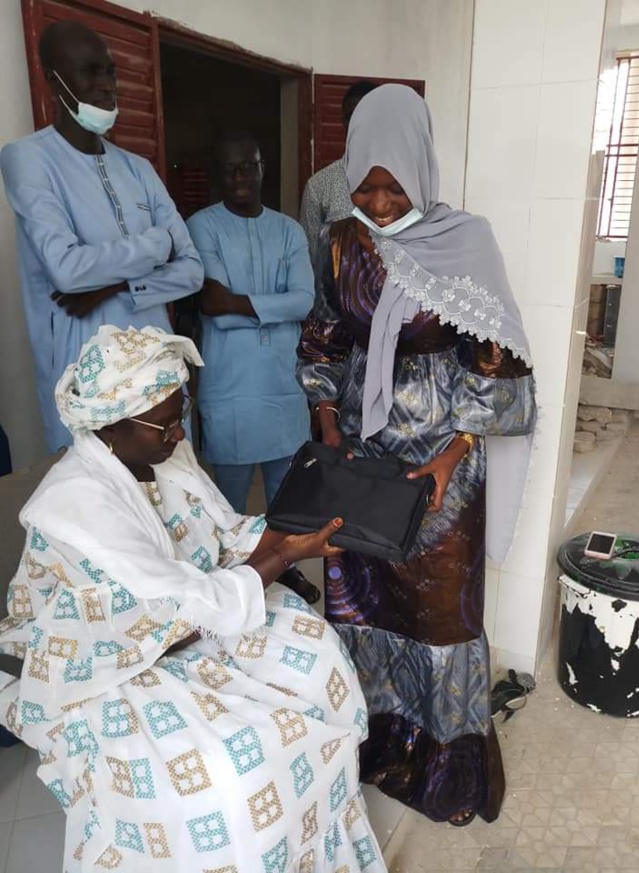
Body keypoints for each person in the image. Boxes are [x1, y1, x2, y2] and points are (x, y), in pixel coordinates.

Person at [0, 325, 387, 873]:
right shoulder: (74, 504)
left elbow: (220, 533)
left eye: (180, 416)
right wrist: (282, 558)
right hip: (110, 658)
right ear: (113, 424)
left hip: (199, 616)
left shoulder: (159, 455)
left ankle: (314, 848)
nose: (179, 435)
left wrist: (291, 530)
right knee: (228, 775)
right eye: (166, 424)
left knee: (320, 658)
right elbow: (169, 609)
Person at [297, 85, 537, 827]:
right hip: (366, 457)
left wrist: (453, 453)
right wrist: (327, 416)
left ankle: (448, 775)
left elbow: (497, 362)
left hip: (442, 467)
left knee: (441, 614)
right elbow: (326, 333)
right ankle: (374, 748)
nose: (378, 198)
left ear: (422, 172)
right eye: (365, 181)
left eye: (393, 184)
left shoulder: (466, 240)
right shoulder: (343, 240)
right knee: (360, 599)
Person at [0, 21, 203, 452]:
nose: (106, 85)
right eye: (90, 72)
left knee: (172, 499)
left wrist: (118, 285)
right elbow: (69, 271)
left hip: (157, 365)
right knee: (98, 499)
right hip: (84, 370)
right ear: (54, 81)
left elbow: (192, 272)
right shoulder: (28, 159)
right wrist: (157, 245)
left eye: (110, 71)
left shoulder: (139, 168)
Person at [187, 131, 320, 604]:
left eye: (250, 166)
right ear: (217, 175)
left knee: (288, 495)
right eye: (230, 168)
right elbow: (212, 306)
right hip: (230, 384)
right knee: (228, 501)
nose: (241, 176)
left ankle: (284, 570)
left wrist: (238, 302)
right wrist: (266, 305)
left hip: (283, 383)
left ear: (263, 169)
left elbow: (303, 301)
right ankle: (232, 583)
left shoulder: (288, 231)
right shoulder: (201, 226)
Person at [300, 81, 378, 267]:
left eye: (367, 115)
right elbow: (308, 257)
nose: (359, 123)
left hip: (391, 294)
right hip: (334, 294)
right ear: (343, 122)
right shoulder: (319, 185)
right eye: (352, 116)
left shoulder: (404, 184)